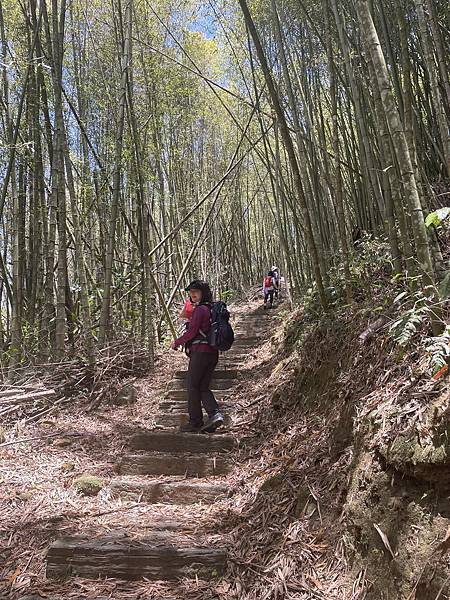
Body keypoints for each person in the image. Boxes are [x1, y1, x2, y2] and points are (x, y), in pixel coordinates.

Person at [171, 280, 224, 433]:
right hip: (212, 353)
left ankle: (195, 422)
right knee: (202, 387)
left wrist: (177, 342)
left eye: (196, 291)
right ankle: (215, 415)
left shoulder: (200, 310)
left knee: (193, 386)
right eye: (190, 292)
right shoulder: (212, 309)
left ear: (204, 293)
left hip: (200, 352)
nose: (192, 294)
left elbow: (192, 332)